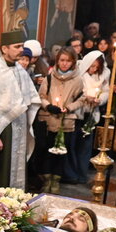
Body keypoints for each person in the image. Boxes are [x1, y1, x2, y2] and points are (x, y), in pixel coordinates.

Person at [0, 30, 41, 190]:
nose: (21, 50)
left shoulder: (20, 70)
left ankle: (15, 200)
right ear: (5, 49)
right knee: (2, 169)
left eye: (22, 46)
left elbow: (31, 97)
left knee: (17, 166)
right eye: (17, 46)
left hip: (20, 126)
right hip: (4, 129)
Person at [33, 46, 83, 194]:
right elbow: (41, 96)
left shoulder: (77, 80)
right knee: (47, 150)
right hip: (49, 119)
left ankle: (56, 180)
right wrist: (48, 106)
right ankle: (46, 179)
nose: (64, 63)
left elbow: (81, 99)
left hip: (66, 121)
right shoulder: (50, 77)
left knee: (61, 152)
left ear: (73, 62)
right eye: (62, 60)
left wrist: (69, 107)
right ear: (57, 61)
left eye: (68, 61)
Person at [64, 50, 109, 185]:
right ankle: (72, 174)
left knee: (85, 146)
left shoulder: (103, 76)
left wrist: (99, 99)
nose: (93, 69)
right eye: (92, 66)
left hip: (91, 113)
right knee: (72, 144)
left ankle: (82, 174)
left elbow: (106, 91)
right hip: (77, 113)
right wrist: (85, 97)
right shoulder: (78, 72)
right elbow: (74, 89)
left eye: (96, 67)